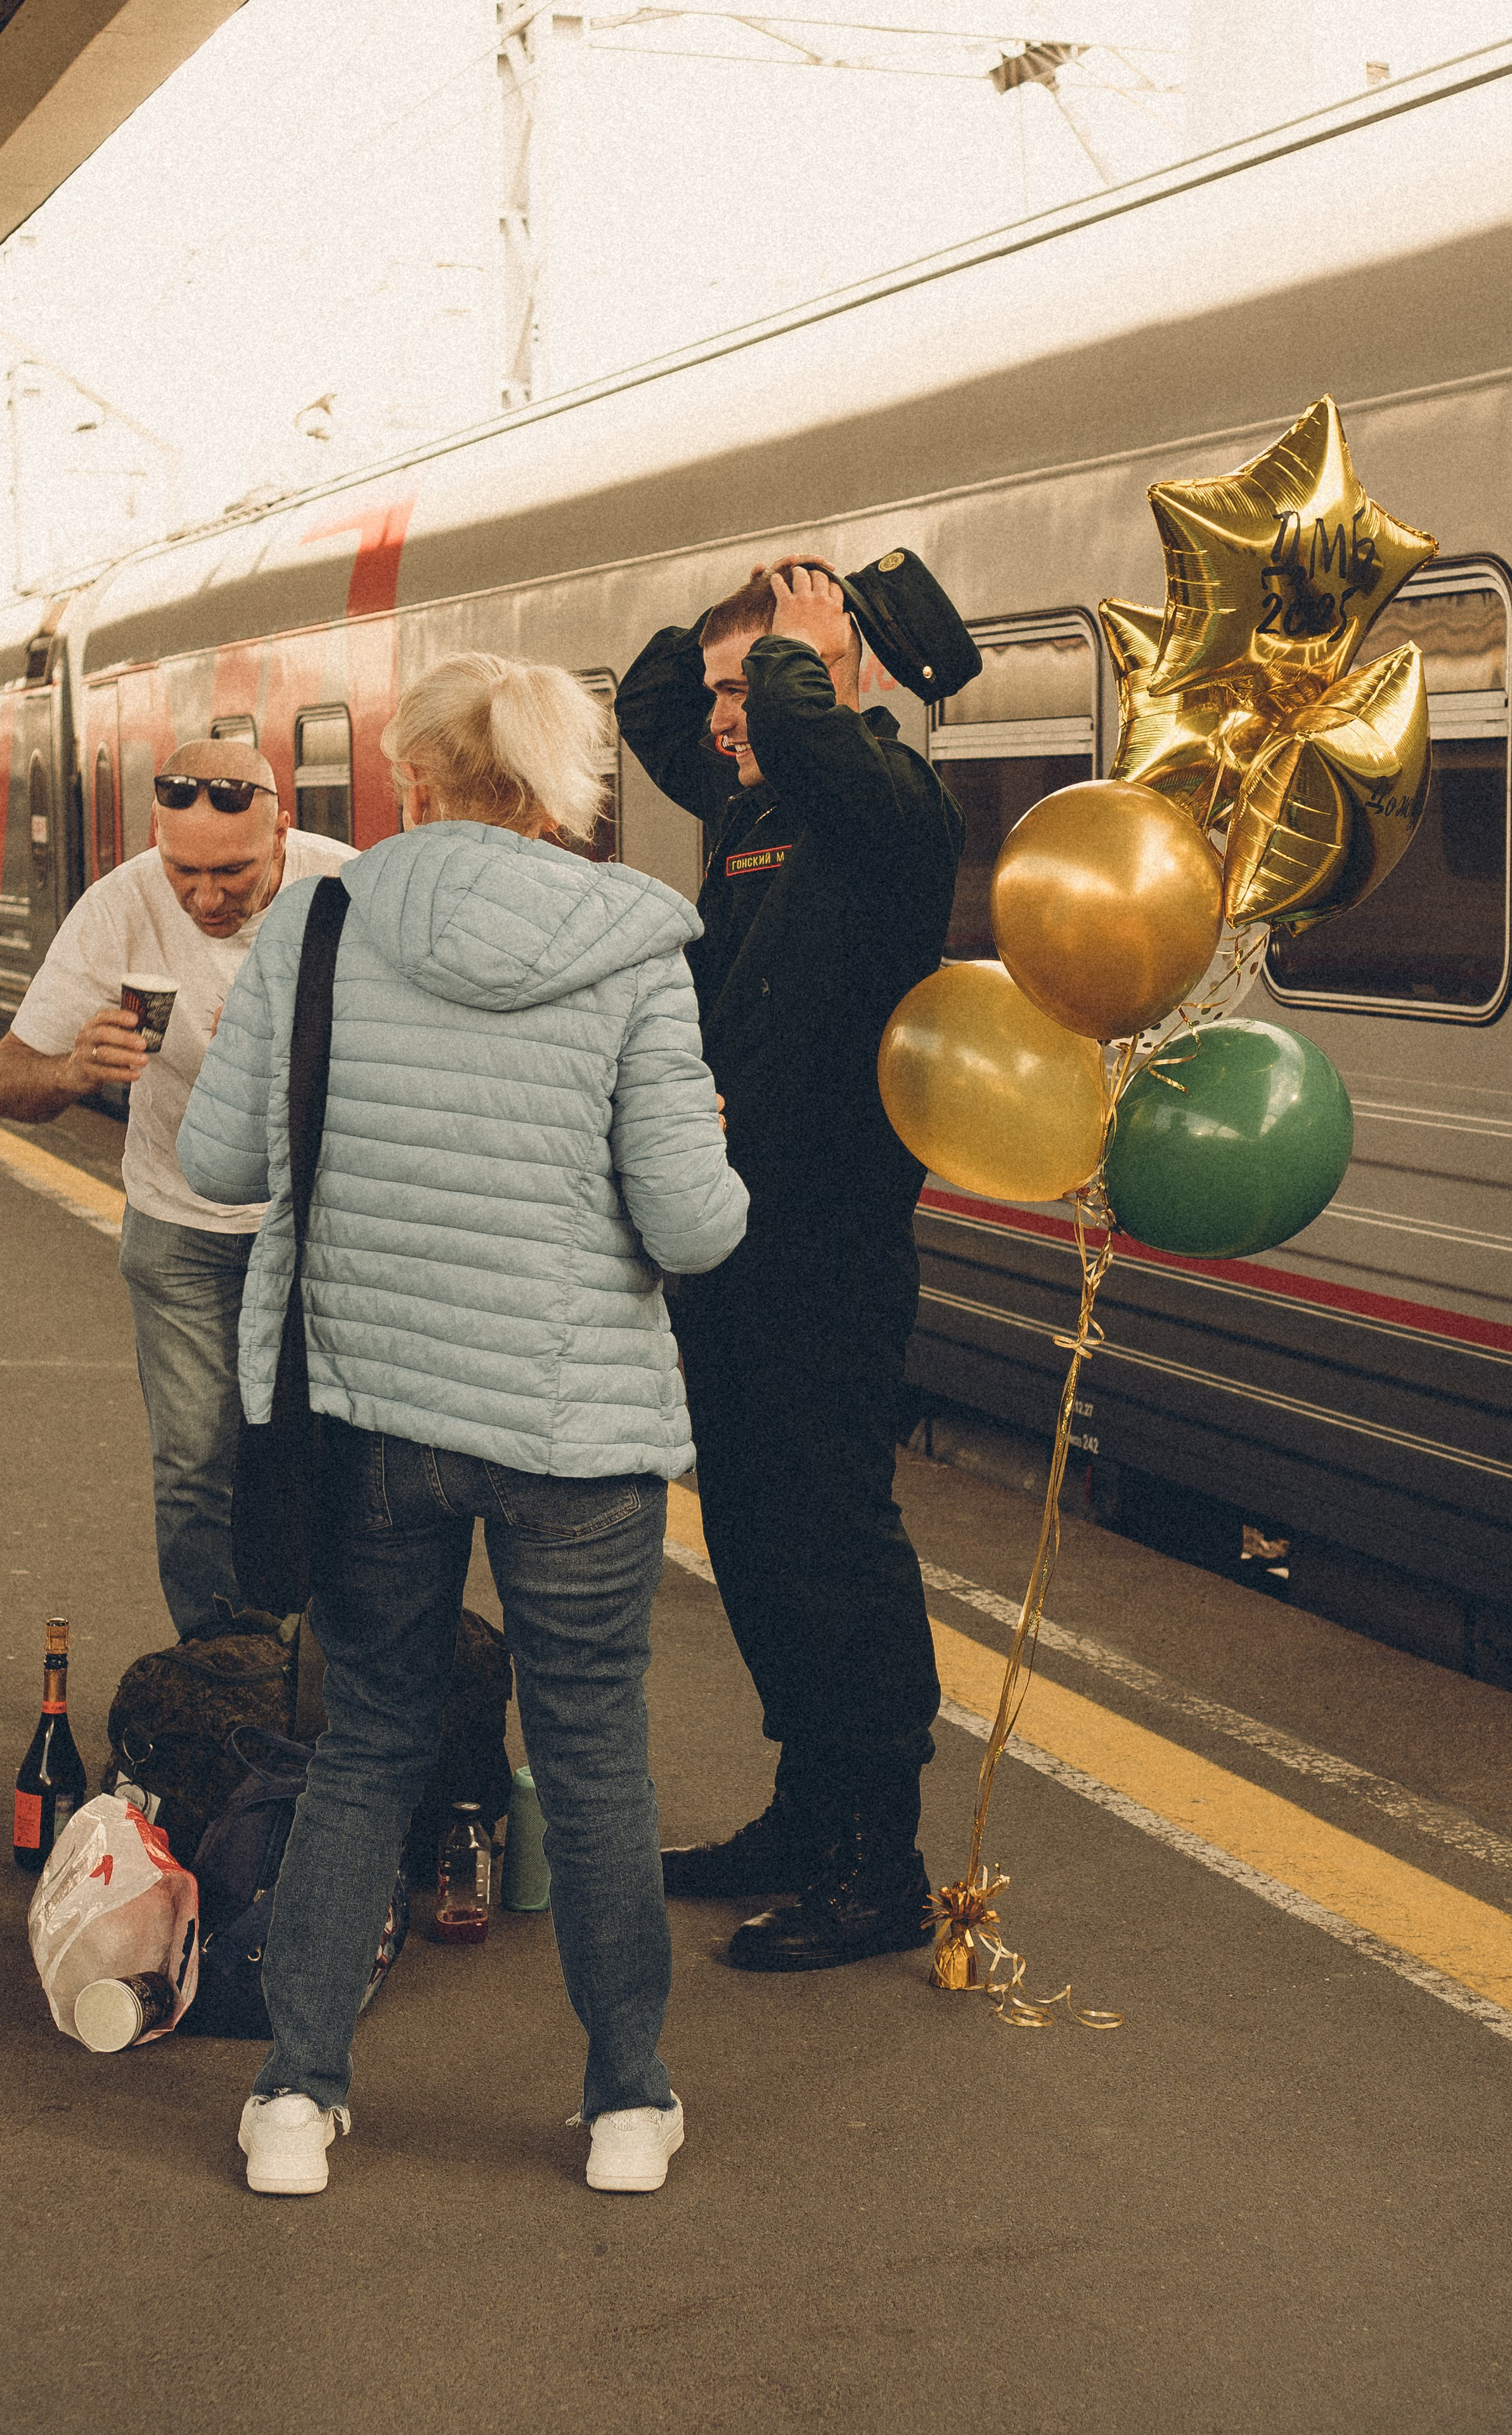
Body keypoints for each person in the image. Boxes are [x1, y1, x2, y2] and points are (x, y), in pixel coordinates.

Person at [177, 652, 747, 2198]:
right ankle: (626, 2103)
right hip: (576, 1432)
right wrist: (713, 1152)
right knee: (596, 1755)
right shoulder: (639, 948)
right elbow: (690, 1232)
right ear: (565, 787)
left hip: (374, 1412)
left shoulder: (323, 919)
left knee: (367, 1739)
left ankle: (294, 2099)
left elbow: (225, 1159)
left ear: (415, 778)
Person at [616, 559, 965, 1973]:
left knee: (830, 1549)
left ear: (829, 682)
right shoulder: (754, 809)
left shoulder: (882, 814)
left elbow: (816, 745)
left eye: (748, 688)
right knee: (756, 1543)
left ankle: (877, 1863)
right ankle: (800, 1813)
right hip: (730, 1248)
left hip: (827, 1249)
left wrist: (801, 655)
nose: (720, 718)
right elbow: (644, 702)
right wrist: (735, 627)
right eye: (723, 693)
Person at [0, 739, 356, 1641]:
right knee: (196, 1460)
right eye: (183, 869)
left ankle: (334, 1673)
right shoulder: (121, 901)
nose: (204, 897)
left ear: (283, 835)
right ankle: (217, 1669)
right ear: (156, 843)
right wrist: (75, 1067)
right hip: (181, 1223)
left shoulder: (347, 892)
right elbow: (5, 1082)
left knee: (335, 1458)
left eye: (232, 870)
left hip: (320, 1225)